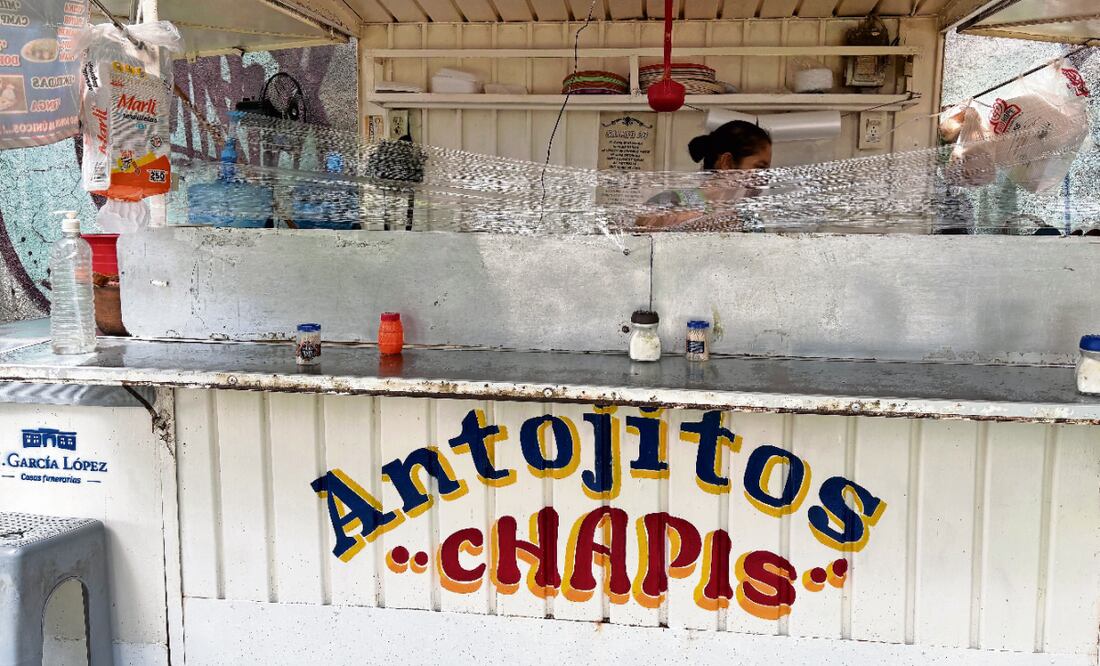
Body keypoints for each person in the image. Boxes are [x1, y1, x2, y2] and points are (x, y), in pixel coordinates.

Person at [637, 120, 772, 229]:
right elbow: (634, 253)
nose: (765, 178)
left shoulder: (749, 220)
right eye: (759, 168)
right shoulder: (669, 204)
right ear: (727, 163)